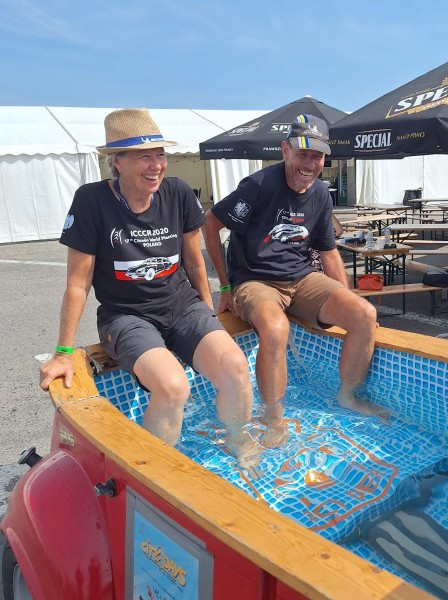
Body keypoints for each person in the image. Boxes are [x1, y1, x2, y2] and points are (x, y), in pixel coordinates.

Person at [39, 108, 260, 474]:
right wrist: (63, 351)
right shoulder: (91, 201)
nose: (156, 165)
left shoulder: (176, 192)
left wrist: (207, 315)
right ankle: (155, 475)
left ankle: (238, 437)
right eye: (144, 156)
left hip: (182, 307)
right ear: (117, 162)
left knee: (235, 366)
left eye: (160, 155)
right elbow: (77, 284)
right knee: (173, 387)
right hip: (126, 316)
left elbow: (194, 263)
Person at [203, 114, 388, 448]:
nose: (310, 163)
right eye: (303, 153)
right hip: (255, 280)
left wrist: (348, 301)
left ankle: (348, 395)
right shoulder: (259, 186)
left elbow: (328, 252)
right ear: (285, 150)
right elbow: (212, 222)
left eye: (317, 156)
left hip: (302, 278)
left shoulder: (320, 193)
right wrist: (226, 286)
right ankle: (272, 417)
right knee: (276, 329)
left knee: (364, 315)